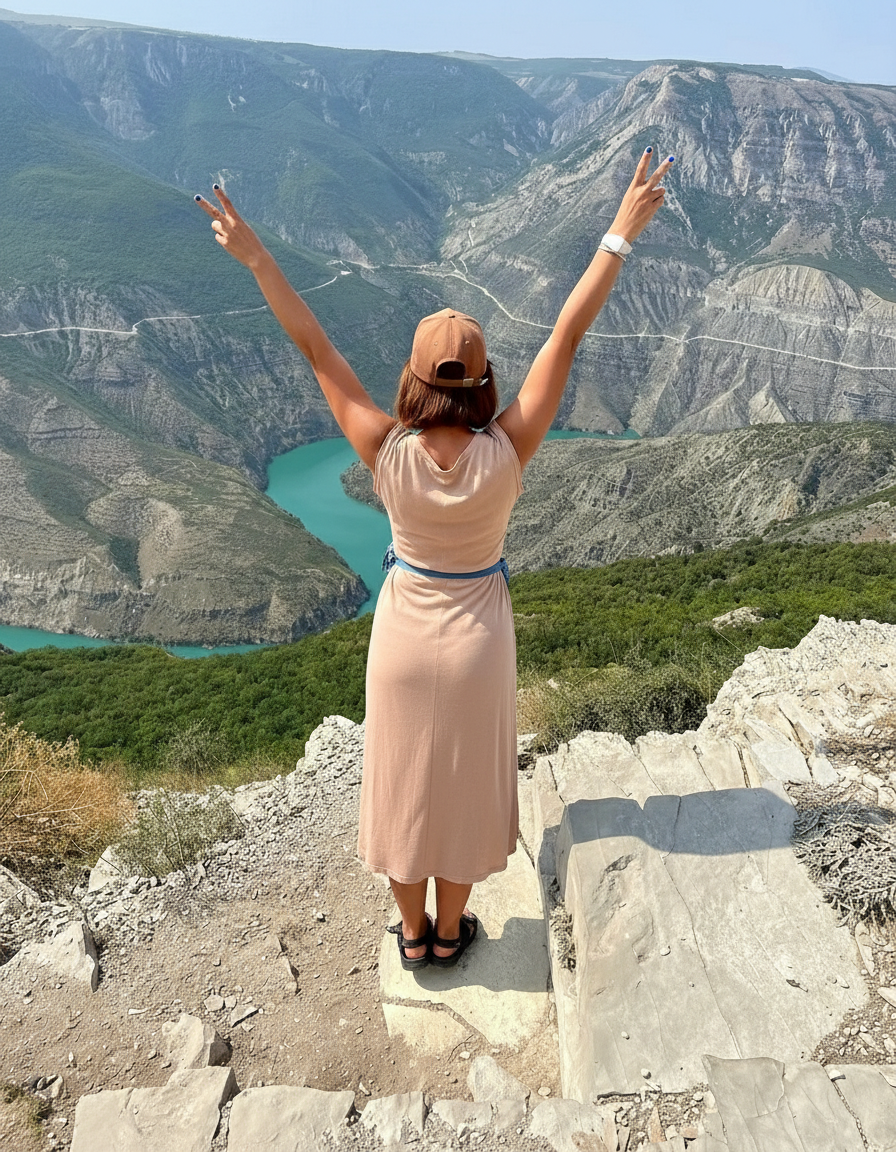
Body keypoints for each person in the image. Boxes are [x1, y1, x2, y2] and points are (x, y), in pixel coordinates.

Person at [195, 147, 672, 969]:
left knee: (404, 782)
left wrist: (258, 258)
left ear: (412, 381)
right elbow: (568, 331)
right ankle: (453, 931)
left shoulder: (385, 451)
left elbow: (315, 349)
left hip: (404, 640)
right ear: (484, 383)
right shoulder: (509, 448)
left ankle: (412, 935)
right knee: (462, 787)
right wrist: (619, 234)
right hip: (481, 642)